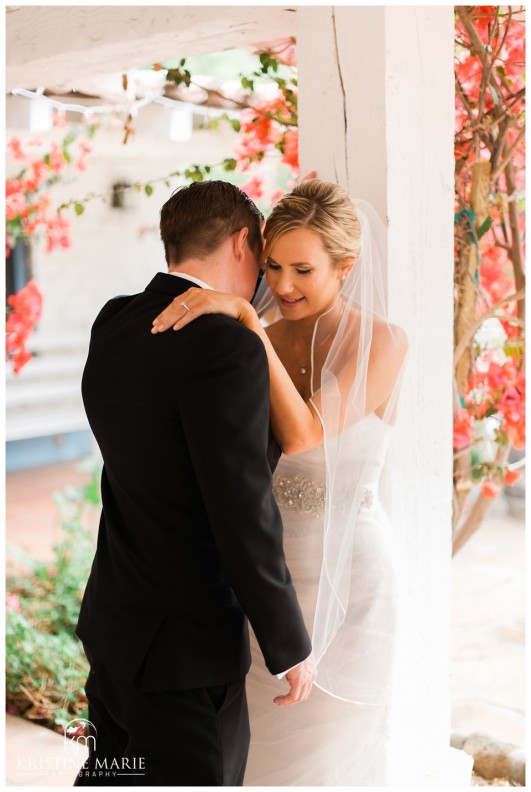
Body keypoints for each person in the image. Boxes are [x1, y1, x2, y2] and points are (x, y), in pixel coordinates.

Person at [151, 178, 409, 785]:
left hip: (353, 584)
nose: (283, 285)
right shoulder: (255, 332)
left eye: (303, 270)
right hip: (263, 582)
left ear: (344, 267)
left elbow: (304, 434)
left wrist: (246, 321)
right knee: (258, 756)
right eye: (272, 266)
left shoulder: (383, 343)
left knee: (328, 762)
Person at [75, 180, 316, 787]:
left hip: (113, 623)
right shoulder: (227, 344)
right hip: (185, 650)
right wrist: (289, 645)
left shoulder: (114, 322)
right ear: (243, 242)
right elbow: (241, 511)